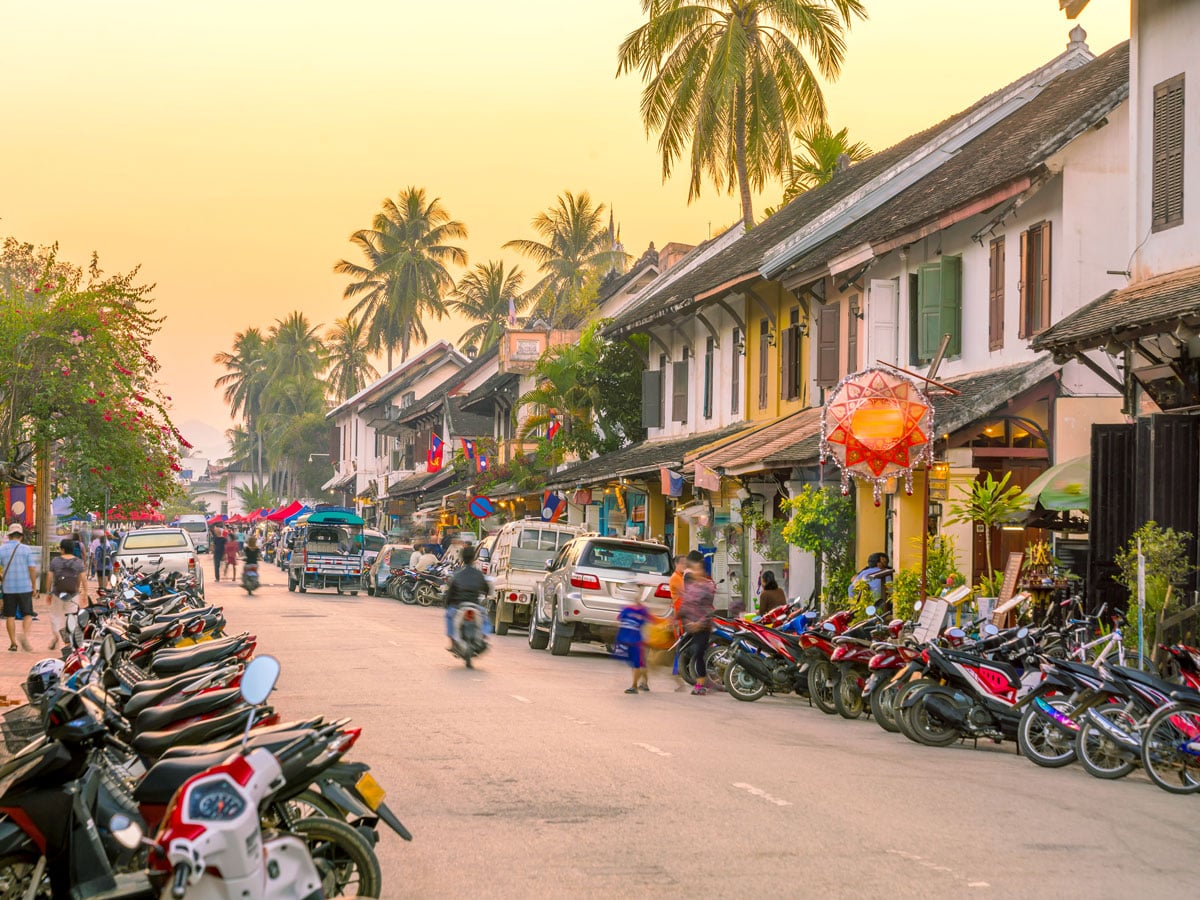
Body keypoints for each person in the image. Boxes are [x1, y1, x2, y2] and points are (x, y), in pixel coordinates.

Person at [678, 550, 716, 695]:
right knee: (692, 651)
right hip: (691, 624)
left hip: (703, 625)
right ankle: (703, 681)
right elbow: (686, 603)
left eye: (697, 569)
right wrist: (680, 619)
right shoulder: (692, 586)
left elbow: (709, 609)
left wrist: (699, 623)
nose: (694, 572)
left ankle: (702, 685)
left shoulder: (708, 586)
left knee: (698, 652)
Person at [1, 524, 39, 652]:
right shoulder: (26, 549)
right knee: (28, 613)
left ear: (10, 536)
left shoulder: (2, 549)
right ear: (21, 536)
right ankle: (24, 635)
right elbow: (32, 568)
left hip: (8, 587)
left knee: (10, 616)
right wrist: (34, 586)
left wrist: (1, 577)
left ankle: (13, 643)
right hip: (24, 587)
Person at [443, 544, 488, 652]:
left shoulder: (457, 574)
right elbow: (486, 589)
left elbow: (450, 592)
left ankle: (452, 642)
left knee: (449, 617)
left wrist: (446, 604)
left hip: (458, 606)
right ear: (474, 559)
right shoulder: (478, 574)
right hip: (475, 605)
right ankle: (483, 637)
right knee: (485, 619)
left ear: (462, 558)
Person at [48, 538, 88, 650]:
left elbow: (50, 577)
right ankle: (68, 641)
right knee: (71, 616)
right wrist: (84, 592)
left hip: (57, 592)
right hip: (73, 593)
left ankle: (56, 636)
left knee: (55, 615)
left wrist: (48, 592)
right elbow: (83, 578)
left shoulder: (55, 561)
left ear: (63, 549)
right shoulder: (78, 562)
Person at [615, 595, 654, 694]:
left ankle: (634, 686)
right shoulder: (627, 610)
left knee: (637, 664)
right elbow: (618, 621)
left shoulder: (642, 611)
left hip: (637, 641)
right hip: (628, 640)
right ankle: (644, 683)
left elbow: (649, 623)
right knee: (639, 664)